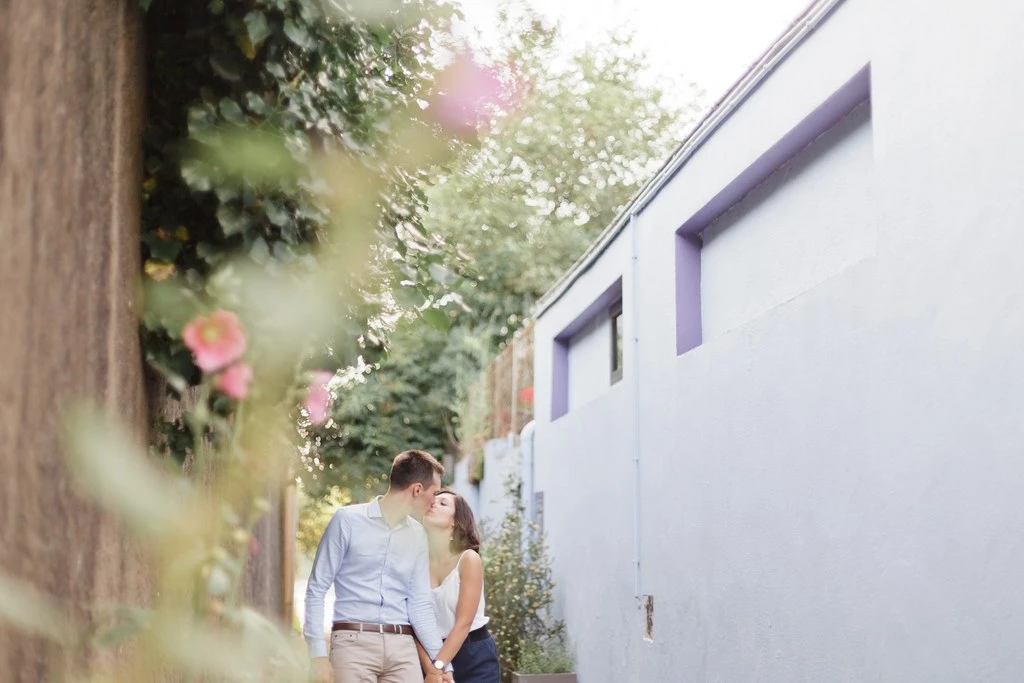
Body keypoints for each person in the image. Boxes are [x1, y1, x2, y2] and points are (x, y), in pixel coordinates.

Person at [304, 450, 454, 683]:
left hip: (402, 647)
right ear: (416, 490)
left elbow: (419, 604)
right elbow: (316, 588)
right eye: (434, 493)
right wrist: (317, 656)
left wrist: (443, 665)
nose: (434, 502)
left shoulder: (417, 535)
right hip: (352, 644)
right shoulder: (347, 521)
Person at [418, 489, 500, 682]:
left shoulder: (468, 559)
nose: (433, 503)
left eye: (443, 503)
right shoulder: (416, 563)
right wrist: (430, 667)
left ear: (456, 521)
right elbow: (412, 622)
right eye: (433, 501)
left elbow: (464, 623)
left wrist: (438, 667)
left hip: (474, 656)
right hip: (431, 656)